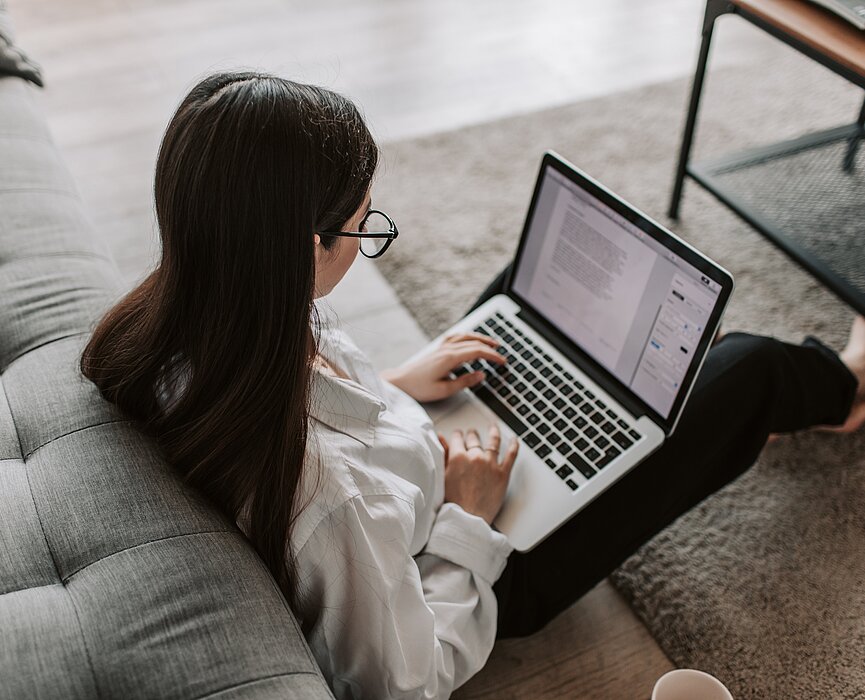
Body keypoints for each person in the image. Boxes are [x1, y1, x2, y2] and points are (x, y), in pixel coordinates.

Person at [80, 71, 865, 700]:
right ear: (304, 246)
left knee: (524, 300)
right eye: (361, 226)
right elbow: (404, 679)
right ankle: (842, 388)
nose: (366, 236)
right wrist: (467, 520)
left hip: (422, 469)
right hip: (481, 559)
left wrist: (390, 385)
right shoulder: (330, 502)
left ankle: (676, 371)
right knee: (751, 369)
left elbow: (299, 410)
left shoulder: (192, 318)